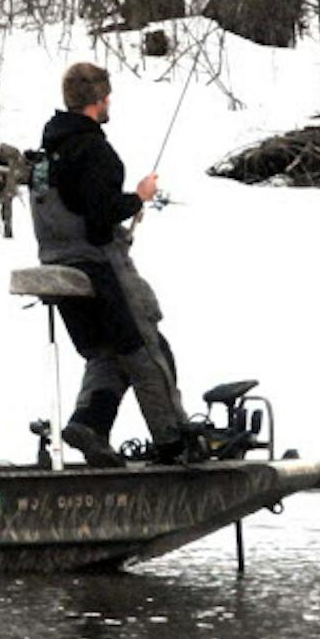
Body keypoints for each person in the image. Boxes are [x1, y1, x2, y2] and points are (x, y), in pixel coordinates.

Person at [29, 61, 189, 466]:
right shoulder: (93, 149)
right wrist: (138, 197)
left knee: (106, 352)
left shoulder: (49, 150)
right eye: (107, 97)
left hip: (59, 269)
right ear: (97, 101)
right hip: (98, 268)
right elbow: (100, 219)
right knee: (144, 348)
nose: (109, 103)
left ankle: (90, 426)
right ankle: (175, 441)